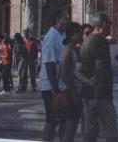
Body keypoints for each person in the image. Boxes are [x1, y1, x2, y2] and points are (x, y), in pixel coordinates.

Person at [80, 12, 118, 142]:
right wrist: (97, 96)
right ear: (103, 24)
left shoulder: (86, 42)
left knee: (91, 132)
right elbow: (99, 70)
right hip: (101, 96)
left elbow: (79, 70)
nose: (110, 27)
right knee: (111, 133)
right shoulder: (101, 42)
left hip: (87, 93)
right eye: (109, 24)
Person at [40, 9, 69, 141]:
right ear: (59, 20)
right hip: (51, 86)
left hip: (59, 85)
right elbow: (49, 64)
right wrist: (55, 89)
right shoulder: (51, 37)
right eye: (65, 18)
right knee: (52, 120)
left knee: (62, 119)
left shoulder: (60, 35)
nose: (67, 21)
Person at [59, 22, 88, 142]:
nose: (81, 36)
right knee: (70, 127)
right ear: (72, 35)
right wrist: (73, 91)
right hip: (68, 93)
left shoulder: (71, 50)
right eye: (79, 34)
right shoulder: (68, 51)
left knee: (71, 126)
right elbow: (64, 74)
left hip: (69, 92)